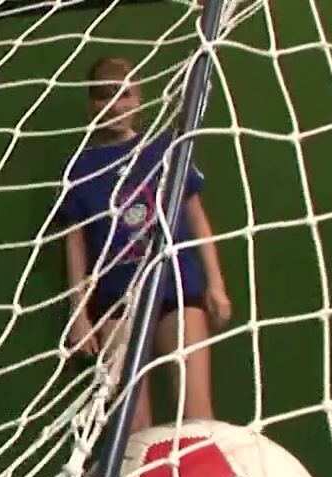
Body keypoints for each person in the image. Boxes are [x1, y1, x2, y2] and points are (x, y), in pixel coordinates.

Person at [58, 56, 232, 433]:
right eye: (104, 96)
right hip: (117, 301)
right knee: (132, 422)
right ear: (91, 104)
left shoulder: (164, 149)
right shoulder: (80, 167)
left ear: (138, 99)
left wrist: (216, 283)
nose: (115, 105)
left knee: (196, 411)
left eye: (124, 95)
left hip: (175, 289)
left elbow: (197, 218)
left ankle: (195, 472)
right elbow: (75, 244)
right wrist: (79, 315)